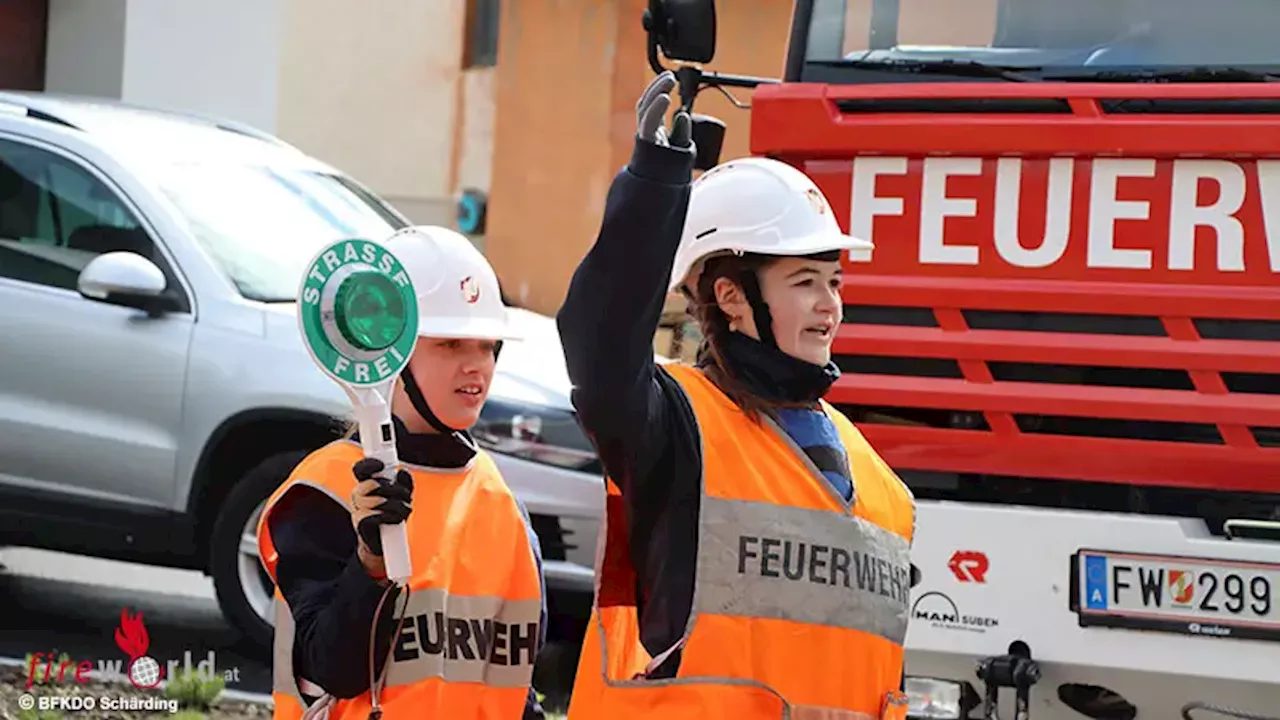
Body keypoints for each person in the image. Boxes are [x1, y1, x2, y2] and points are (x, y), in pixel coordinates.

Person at [557, 72, 918, 719]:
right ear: (731, 298)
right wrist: (654, 188)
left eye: (834, 282)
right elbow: (601, 347)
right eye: (805, 280)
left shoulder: (882, 483)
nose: (829, 306)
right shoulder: (674, 427)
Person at [256, 225, 548, 720]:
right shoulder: (326, 490)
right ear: (388, 349)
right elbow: (334, 668)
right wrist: (371, 565)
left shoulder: (499, 499)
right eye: (451, 344)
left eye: (487, 346)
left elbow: (512, 686)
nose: (476, 366)